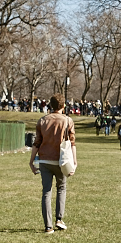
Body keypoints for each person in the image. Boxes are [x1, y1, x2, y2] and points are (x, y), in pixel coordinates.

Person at [29, 95, 75, 233]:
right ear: (63, 106)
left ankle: (48, 226)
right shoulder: (67, 121)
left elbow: (36, 143)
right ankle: (59, 219)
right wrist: (74, 162)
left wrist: (31, 161)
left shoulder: (42, 120)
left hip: (44, 160)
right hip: (61, 160)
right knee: (61, 188)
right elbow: (72, 143)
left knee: (46, 192)